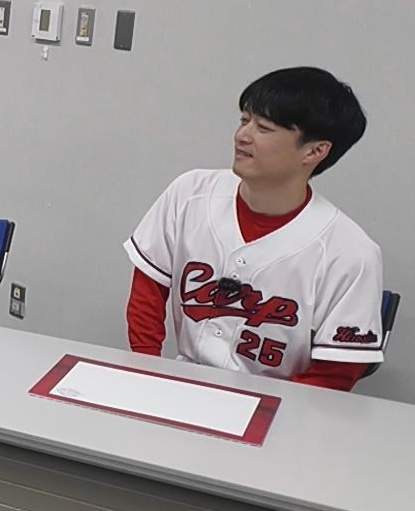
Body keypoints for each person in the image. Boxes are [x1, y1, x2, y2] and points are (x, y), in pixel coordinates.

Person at [124, 67, 383, 388]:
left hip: (280, 402)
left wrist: (272, 412)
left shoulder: (351, 253)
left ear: (315, 150)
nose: (242, 135)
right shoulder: (190, 192)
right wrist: (147, 375)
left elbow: (335, 374)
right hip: (183, 384)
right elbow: (148, 293)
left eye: (264, 128)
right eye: (244, 120)